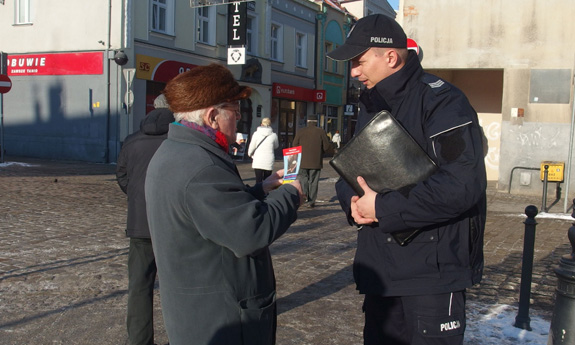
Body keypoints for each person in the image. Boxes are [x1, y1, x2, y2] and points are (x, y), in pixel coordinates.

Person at [327, 14, 487, 345]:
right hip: (381, 274)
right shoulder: (371, 103)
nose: (354, 72)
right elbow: (352, 170)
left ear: (390, 56)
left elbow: (461, 186)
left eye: (359, 61)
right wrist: (353, 203)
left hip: (432, 275)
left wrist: (383, 208)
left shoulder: (444, 101)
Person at [144, 63, 304, 345]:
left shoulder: (179, 150)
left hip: (201, 312)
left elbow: (213, 213)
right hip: (221, 318)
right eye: (235, 109)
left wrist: (261, 190)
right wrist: (291, 194)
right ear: (212, 116)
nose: (240, 117)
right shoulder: (201, 165)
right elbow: (251, 232)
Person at [116, 93, 175, 345]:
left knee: (139, 288)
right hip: (174, 224)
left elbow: (122, 176)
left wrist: (138, 195)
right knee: (178, 287)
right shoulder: (179, 139)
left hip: (140, 223)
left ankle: (139, 341)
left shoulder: (132, 140)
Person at [292, 115, 332, 208]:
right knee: (313, 181)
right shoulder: (321, 132)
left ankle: (304, 196)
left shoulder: (301, 132)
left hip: (302, 161)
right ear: (316, 122)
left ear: (308, 121)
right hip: (316, 161)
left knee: (303, 179)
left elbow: (294, 145)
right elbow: (326, 147)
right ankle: (311, 201)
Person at [248, 117, 279, 183]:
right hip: (269, 159)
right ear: (270, 124)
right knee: (267, 180)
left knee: (258, 180)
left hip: (258, 159)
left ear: (261, 124)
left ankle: (258, 192)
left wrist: (249, 153)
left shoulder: (256, 134)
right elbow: (276, 146)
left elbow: (252, 145)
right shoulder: (274, 135)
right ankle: (266, 193)